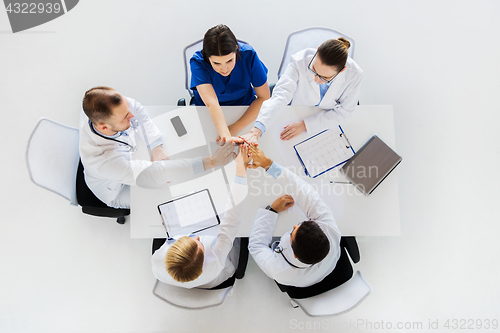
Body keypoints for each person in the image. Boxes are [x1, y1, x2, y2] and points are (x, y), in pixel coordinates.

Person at [80, 86, 236, 209]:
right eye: (125, 117)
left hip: (130, 162)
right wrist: (213, 161)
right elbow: (156, 173)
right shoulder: (103, 159)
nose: (131, 116)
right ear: (103, 127)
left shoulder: (116, 108)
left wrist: (156, 147)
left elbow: (138, 110)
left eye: (128, 110)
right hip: (117, 190)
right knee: (172, 197)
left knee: (177, 174)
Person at [151, 145, 251, 289]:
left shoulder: (157, 260)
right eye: (200, 244)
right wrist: (241, 169)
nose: (196, 237)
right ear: (204, 260)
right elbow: (232, 220)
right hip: (215, 277)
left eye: (188, 239)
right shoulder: (215, 261)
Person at [247, 145, 341, 287]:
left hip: (305, 280)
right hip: (327, 267)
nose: (295, 225)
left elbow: (256, 246)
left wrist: (271, 210)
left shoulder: (279, 270)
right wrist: (268, 164)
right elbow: (305, 192)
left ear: (294, 254)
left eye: (292, 232)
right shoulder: (330, 232)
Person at [242, 38, 363, 144]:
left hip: (326, 125)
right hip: (295, 112)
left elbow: (344, 112)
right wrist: (257, 130)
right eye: (314, 69)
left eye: (324, 78)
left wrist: (306, 125)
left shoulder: (355, 75)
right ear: (317, 50)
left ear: (342, 71)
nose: (316, 79)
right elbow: (281, 95)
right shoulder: (299, 61)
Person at [190, 24, 270, 143]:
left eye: (229, 60)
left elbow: (264, 97)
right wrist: (226, 136)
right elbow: (212, 103)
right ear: (207, 57)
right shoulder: (198, 62)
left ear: (236, 50)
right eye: (216, 63)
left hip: (245, 109)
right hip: (207, 113)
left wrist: (235, 128)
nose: (224, 69)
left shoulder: (248, 55)